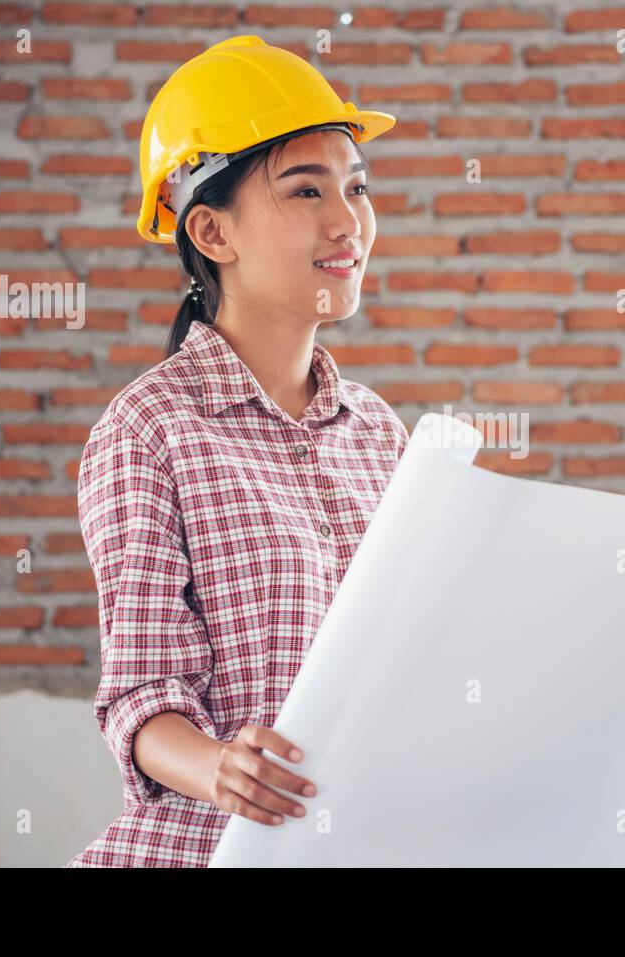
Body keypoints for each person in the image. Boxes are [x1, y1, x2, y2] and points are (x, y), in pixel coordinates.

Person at [67, 35, 403, 867]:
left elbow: (442, 663)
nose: (347, 220)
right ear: (212, 230)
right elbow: (141, 701)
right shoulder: (150, 430)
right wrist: (222, 767)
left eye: (356, 187)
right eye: (305, 189)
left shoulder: (379, 435)